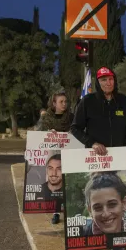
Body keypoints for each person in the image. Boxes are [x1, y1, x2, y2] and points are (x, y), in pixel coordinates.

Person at [71, 66, 126, 250]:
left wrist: (125, 147)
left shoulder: (123, 101)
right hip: (95, 163)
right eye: (103, 80)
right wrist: (91, 143)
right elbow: (75, 128)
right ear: (98, 83)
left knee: (113, 205)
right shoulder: (88, 102)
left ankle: (117, 242)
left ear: (114, 81)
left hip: (118, 161)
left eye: (110, 80)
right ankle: (95, 246)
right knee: (98, 203)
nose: (107, 83)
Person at [39, 91, 73, 224]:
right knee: (56, 185)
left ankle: (70, 210)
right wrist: (48, 133)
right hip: (53, 156)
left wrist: (72, 132)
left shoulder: (71, 117)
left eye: (65, 101)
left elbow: (78, 130)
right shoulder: (46, 118)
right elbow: (39, 135)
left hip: (69, 155)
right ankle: (56, 212)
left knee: (68, 183)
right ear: (54, 103)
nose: (64, 104)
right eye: (61, 102)